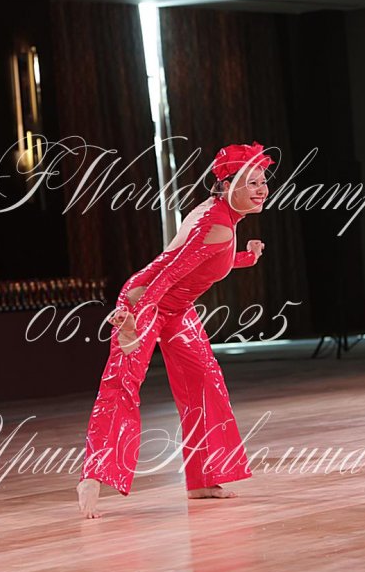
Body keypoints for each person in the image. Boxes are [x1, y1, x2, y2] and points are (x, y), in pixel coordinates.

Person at [76, 142, 273, 519]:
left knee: (204, 379)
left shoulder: (224, 218)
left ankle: (203, 479)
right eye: (251, 182)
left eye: (263, 181)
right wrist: (135, 318)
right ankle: (94, 475)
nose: (261, 189)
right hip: (146, 301)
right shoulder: (215, 223)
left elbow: (212, 262)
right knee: (123, 382)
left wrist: (249, 257)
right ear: (226, 185)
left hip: (176, 307)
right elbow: (167, 275)